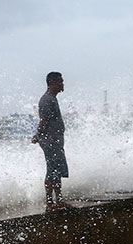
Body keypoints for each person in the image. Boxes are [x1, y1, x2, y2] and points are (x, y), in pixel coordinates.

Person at [32, 72, 74, 212]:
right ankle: (50, 203)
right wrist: (37, 135)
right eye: (60, 82)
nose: (62, 84)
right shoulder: (47, 100)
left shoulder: (51, 99)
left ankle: (59, 201)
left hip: (54, 141)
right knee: (52, 171)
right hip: (50, 141)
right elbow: (43, 120)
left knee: (56, 171)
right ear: (52, 83)